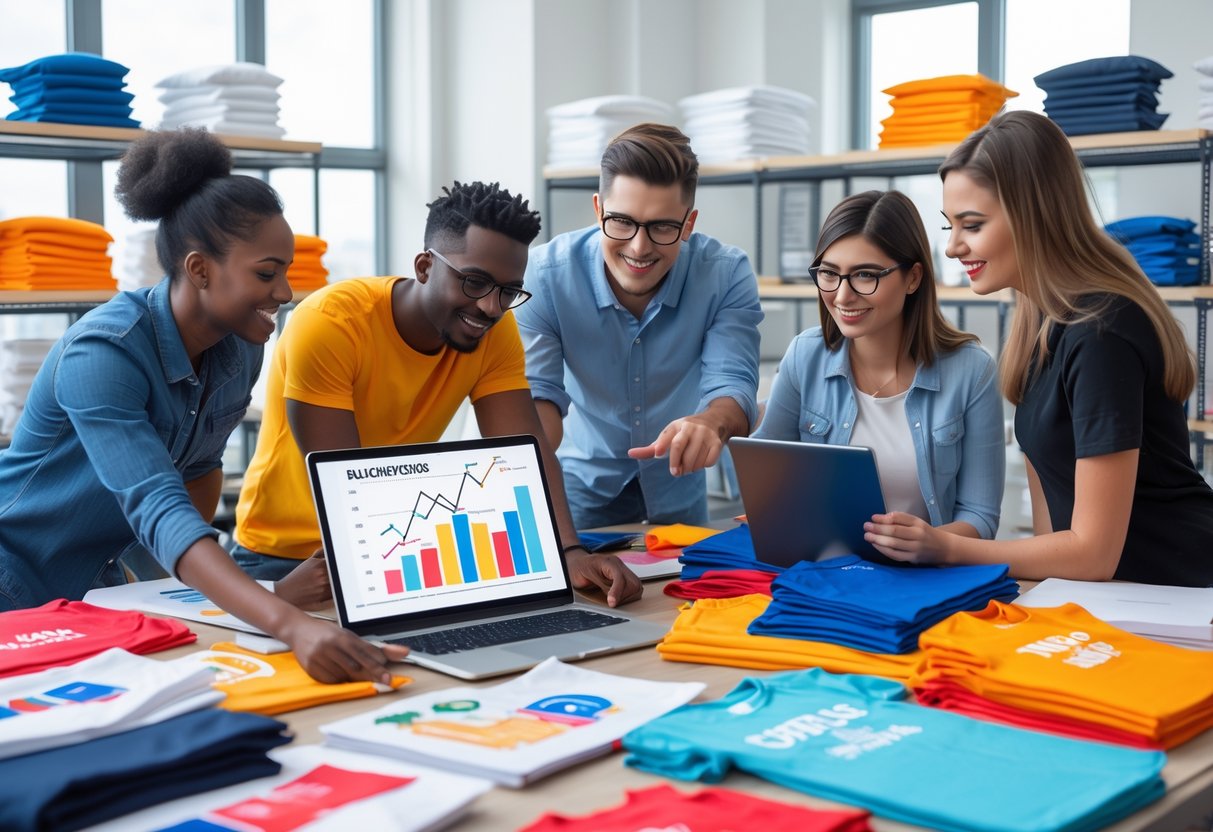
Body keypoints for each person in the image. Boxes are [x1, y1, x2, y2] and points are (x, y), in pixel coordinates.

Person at [0, 128, 407, 682]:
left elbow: (196, 478)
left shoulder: (239, 350)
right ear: (199, 269)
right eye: (267, 273)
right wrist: (285, 620)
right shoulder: (102, 355)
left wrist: (253, 598)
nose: (286, 293)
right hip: (14, 588)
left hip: (103, 594)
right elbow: (158, 507)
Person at [231, 181, 642, 607]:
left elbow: (525, 450)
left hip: (391, 551)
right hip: (285, 563)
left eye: (507, 291)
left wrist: (568, 551)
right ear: (425, 266)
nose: (491, 307)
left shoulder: (494, 333)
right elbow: (345, 484)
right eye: (475, 282)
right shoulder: (330, 323)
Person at [868, 110, 1213, 586]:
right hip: (1117, 595)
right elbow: (1055, 532)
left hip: (1183, 592)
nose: (952, 248)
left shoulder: (1102, 332)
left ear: (1034, 215)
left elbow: (1092, 554)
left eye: (972, 225)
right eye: (950, 227)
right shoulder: (1038, 329)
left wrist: (946, 547)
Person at [516, 123, 763, 528]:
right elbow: (539, 397)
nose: (638, 247)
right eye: (621, 222)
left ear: (688, 223)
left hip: (680, 488)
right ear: (598, 211)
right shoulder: (545, 276)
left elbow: (732, 383)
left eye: (662, 227)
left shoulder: (725, 274)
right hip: (579, 492)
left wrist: (710, 423)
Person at [754, 190, 1004, 544]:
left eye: (865, 276)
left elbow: (980, 516)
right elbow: (765, 478)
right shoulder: (804, 356)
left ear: (913, 278)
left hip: (920, 579)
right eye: (829, 274)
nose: (842, 296)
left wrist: (932, 543)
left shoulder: (971, 372)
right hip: (821, 568)